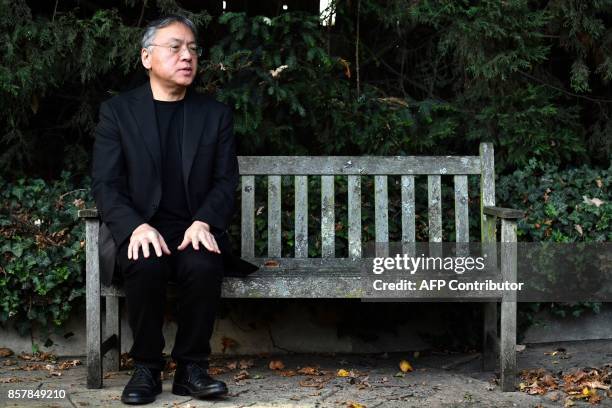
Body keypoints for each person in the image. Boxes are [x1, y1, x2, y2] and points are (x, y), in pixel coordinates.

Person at [91, 14, 256, 405]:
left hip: (193, 228)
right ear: (147, 57)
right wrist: (133, 227)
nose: (187, 56)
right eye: (176, 47)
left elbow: (224, 182)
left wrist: (204, 222)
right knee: (144, 262)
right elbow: (106, 184)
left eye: (193, 49)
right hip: (143, 228)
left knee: (202, 263)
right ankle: (146, 366)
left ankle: (191, 369)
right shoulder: (118, 113)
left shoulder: (214, 115)